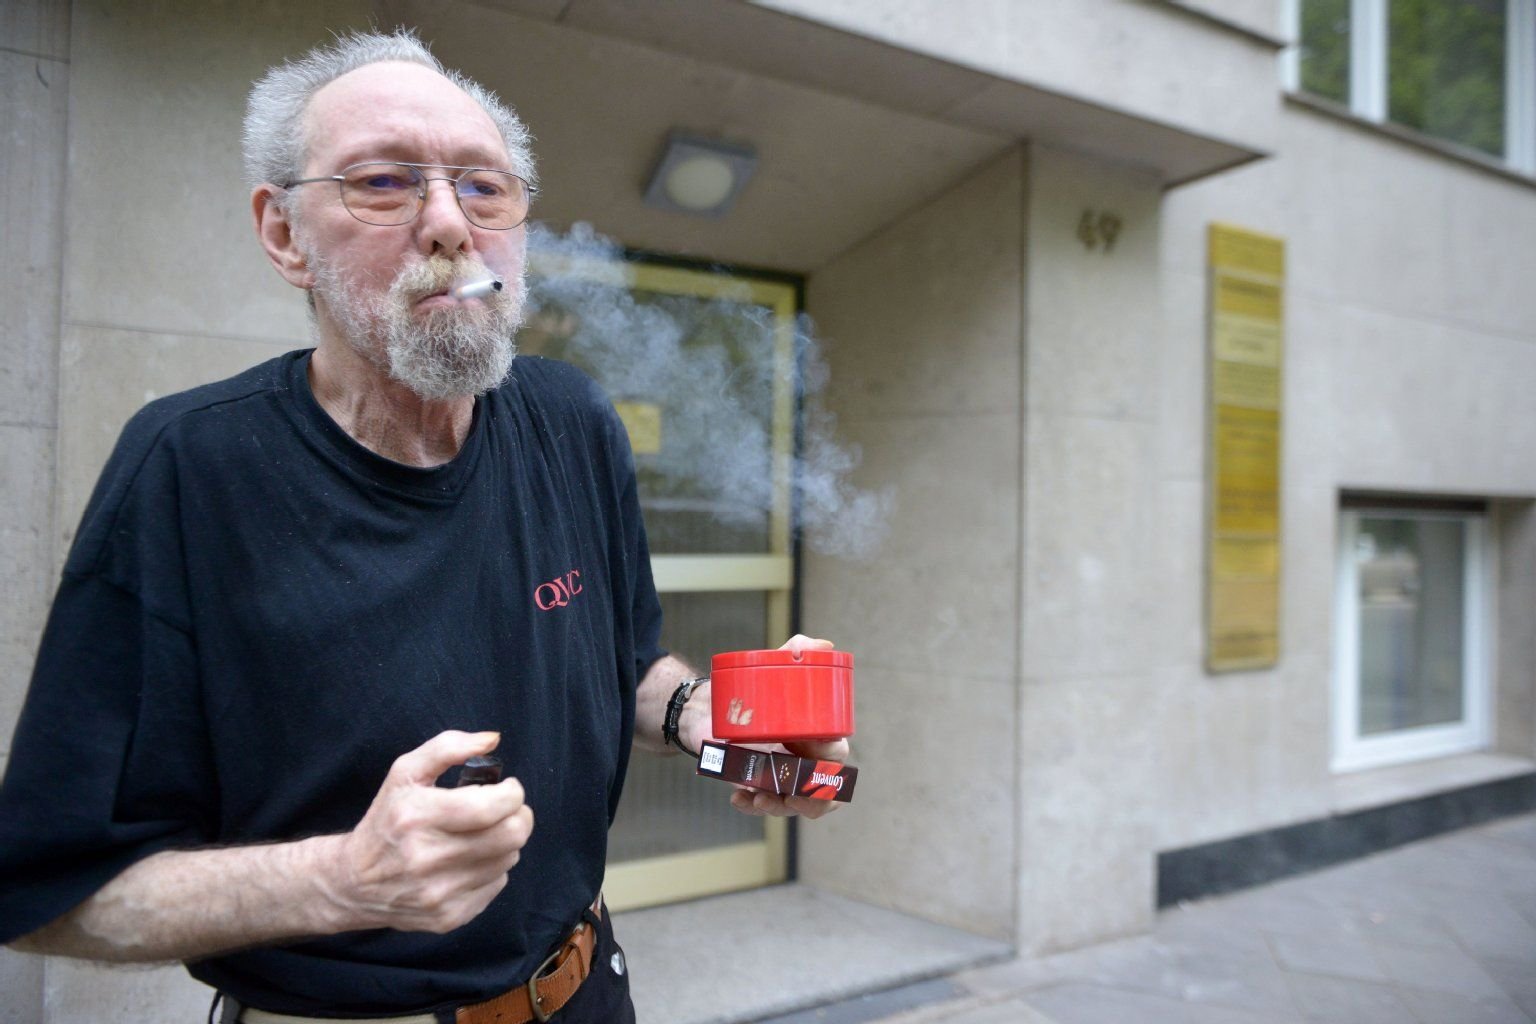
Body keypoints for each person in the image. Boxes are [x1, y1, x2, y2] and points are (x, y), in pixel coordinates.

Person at [0, 29, 846, 1023]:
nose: (449, 222)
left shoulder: (572, 420)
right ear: (284, 235)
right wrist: (345, 878)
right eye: (385, 182)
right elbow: (50, 894)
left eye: (484, 187)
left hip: (584, 996)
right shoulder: (190, 466)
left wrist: (709, 720)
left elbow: (624, 666)